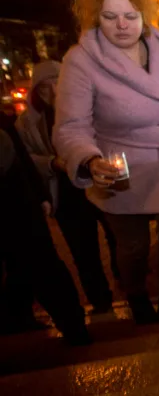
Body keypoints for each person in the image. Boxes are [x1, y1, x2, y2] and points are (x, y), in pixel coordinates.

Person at [53, 0, 159, 330]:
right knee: (134, 246)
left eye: (130, 16)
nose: (122, 25)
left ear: (144, 16)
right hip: (119, 164)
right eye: (110, 17)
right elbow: (72, 125)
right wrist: (89, 159)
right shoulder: (81, 60)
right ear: (96, 18)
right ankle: (136, 294)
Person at [16, 60, 118, 313]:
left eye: (56, 83)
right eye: (43, 87)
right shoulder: (28, 123)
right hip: (64, 193)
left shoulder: (89, 110)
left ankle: (130, 288)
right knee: (83, 252)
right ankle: (101, 301)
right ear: (36, 92)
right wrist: (53, 163)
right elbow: (26, 159)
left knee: (119, 238)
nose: (51, 91)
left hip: (98, 185)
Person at [0, 117, 91, 345]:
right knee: (35, 266)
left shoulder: (4, 125)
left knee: (41, 265)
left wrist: (40, 195)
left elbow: (21, 158)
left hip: (18, 203)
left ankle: (73, 327)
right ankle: (17, 319)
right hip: (18, 203)